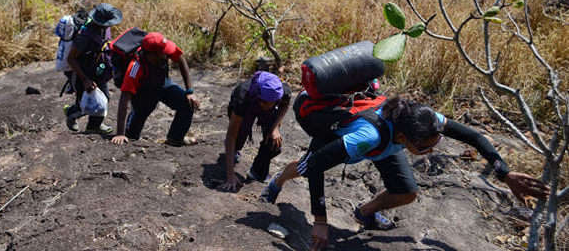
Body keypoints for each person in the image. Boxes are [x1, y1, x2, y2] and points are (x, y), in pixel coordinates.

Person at [261, 96, 550, 251]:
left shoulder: (425, 119)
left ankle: (365, 213)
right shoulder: (367, 137)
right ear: (405, 136)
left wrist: (505, 174)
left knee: (408, 192)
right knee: (302, 167)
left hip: (386, 146)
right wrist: (320, 221)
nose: (431, 150)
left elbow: (474, 137)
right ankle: (277, 180)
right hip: (349, 136)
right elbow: (316, 168)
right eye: (424, 147)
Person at [111, 32, 199, 146]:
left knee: (187, 104)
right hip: (143, 92)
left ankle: (175, 139)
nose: (165, 54)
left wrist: (189, 91)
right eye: (161, 53)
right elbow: (124, 98)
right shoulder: (135, 68)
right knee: (132, 133)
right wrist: (119, 133)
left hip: (162, 84)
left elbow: (181, 60)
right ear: (150, 55)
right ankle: (130, 132)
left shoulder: (165, 48)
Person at [220, 71, 292, 191]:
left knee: (274, 143)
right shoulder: (242, 97)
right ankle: (235, 152)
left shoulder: (281, 91)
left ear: (276, 99)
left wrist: (275, 128)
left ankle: (258, 172)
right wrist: (230, 175)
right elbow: (231, 135)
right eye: (261, 102)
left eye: (267, 103)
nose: (263, 105)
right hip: (248, 105)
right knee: (238, 138)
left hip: (265, 103)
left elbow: (285, 105)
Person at [64, 3, 123, 134]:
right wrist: (85, 80)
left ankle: (94, 126)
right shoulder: (85, 35)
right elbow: (71, 59)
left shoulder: (104, 29)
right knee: (84, 105)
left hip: (98, 71)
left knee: (104, 98)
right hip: (84, 73)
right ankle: (70, 114)